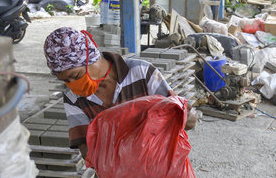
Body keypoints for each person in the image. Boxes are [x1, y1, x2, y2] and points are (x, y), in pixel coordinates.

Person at [43, 27, 196, 157]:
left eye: (75, 76)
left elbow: (181, 118)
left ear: (91, 57)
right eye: (65, 81)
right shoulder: (73, 98)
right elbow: (84, 145)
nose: (72, 85)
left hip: (160, 163)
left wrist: (186, 117)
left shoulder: (141, 73)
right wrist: (112, 167)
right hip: (115, 176)